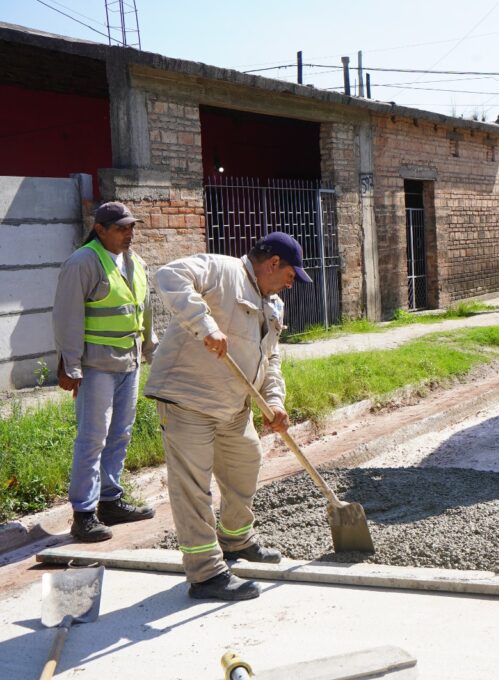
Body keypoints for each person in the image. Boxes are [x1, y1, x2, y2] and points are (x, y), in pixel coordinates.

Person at [144, 232, 312, 601]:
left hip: (234, 407)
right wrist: (205, 326)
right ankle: (205, 574)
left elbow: (271, 359)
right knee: (193, 488)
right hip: (189, 399)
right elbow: (168, 275)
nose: (290, 283)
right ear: (273, 263)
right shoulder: (222, 270)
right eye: (289, 275)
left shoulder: (273, 305)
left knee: (245, 463)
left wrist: (275, 402)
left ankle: (236, 539)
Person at [53, 202, 158, 542]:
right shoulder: (83, 262)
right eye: (121, 228)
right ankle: (83, 514)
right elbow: (67, 317)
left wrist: (150, 347)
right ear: (100, 229)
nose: (129, 233)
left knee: (120, 433)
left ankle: (110, 501)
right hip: (96, 366)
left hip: (129, 362)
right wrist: (70, 365)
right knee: (93, 437)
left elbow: (144, 308)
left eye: (131, 227)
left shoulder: (135, 262)